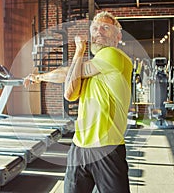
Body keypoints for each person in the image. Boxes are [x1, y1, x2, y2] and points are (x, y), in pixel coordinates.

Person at [24, 11, 132, 193]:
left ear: (118, 36)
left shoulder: (113, 55)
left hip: (107, 147)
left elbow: (70, 73)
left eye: (106, 28)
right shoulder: (95, 66)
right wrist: (39, 77)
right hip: (79, 146)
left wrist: (79, 51)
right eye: (95, 28)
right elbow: (70, 85)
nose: (99, 32)